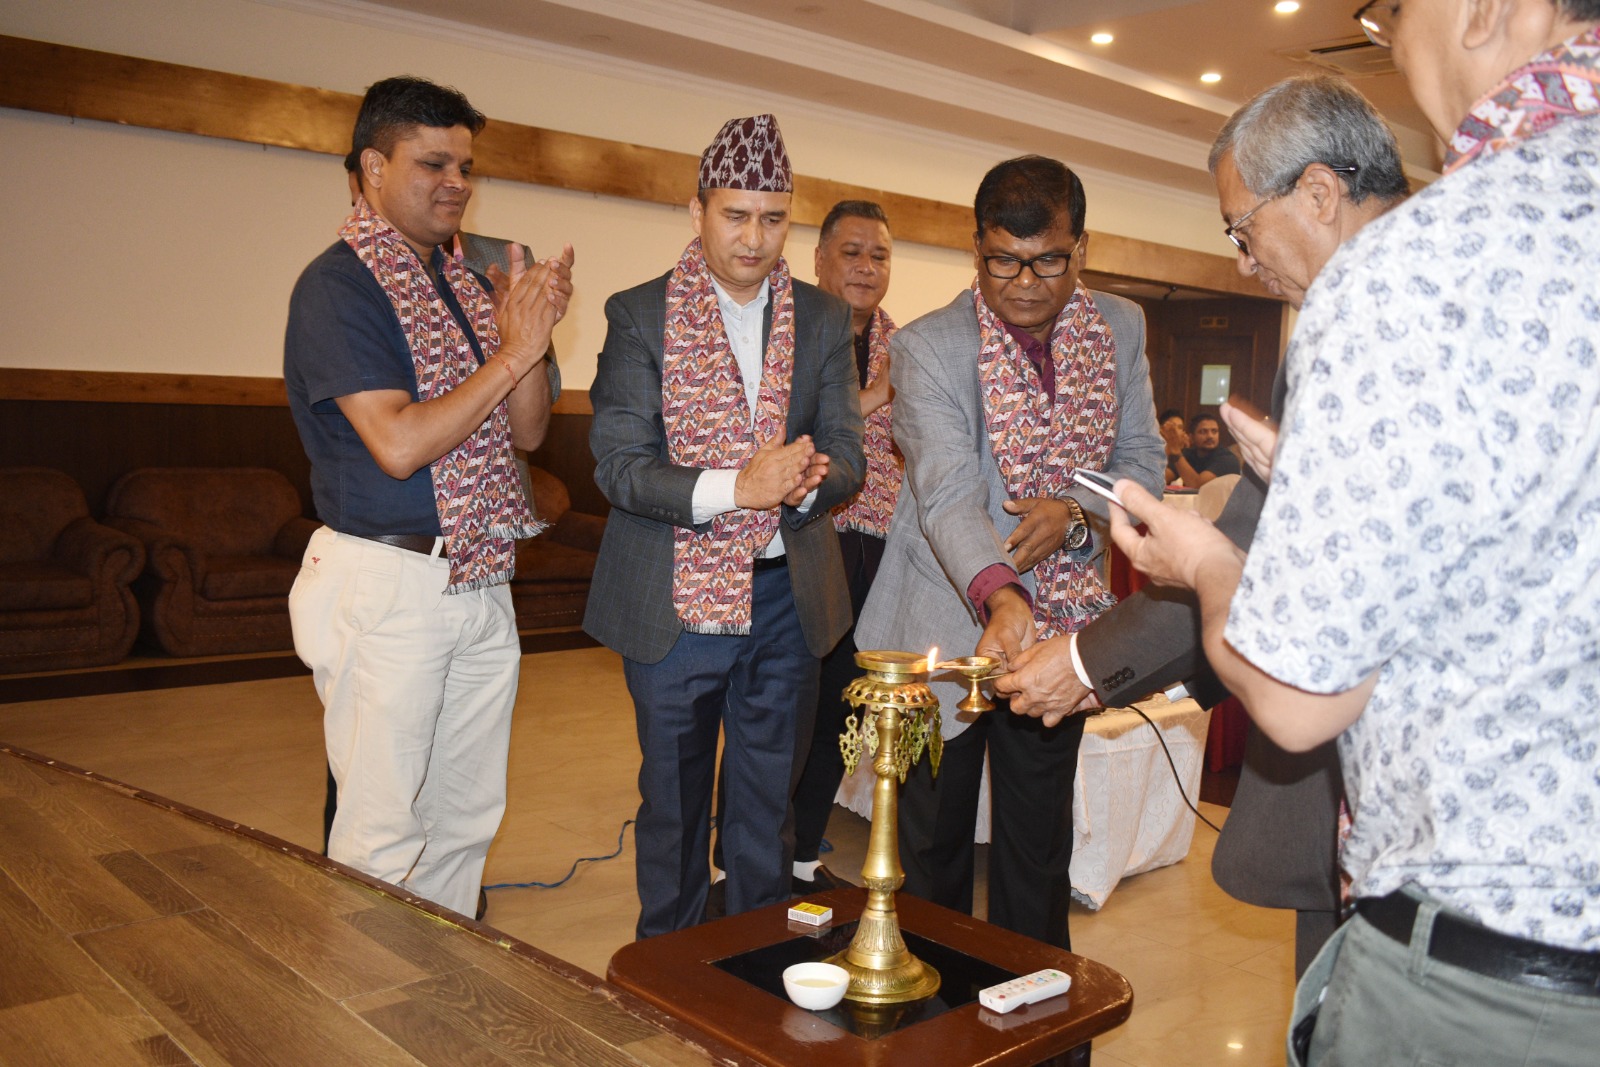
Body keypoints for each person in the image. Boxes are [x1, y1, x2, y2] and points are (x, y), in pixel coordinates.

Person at [1095, 0, 1600, 1059]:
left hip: (1493, 972)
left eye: (1393, 11)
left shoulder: (1418, 268)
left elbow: (1298, 696)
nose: (1390, 38)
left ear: (1485, 10)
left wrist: (1206, 560)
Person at [995, 72, 1409, 977]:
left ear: (1319, 192)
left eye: (1241, 228)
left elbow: (1247, 552)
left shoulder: (1374, 318)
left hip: (1402, 785)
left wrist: (1083, 662)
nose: (1244, 261)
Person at [855, 155, 1163, 950]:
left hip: (1059, 632)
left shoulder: (1120, 327)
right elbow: (946, 493)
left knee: (1036, 849)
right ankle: (935, 1009)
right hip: (944, 628)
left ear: (1081, 248)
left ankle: (1030, 1005)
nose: (1024, 283)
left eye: (1048, 261)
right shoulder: (928, 346)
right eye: (1002, 261)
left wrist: (1077, 514)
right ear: (977, 248)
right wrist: (1002, 594)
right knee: (931, 854)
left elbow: (1142, 464)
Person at [284, 76, 573, 918]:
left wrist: (528, 342)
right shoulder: (340, 286)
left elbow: (526, 434)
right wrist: (510, 354)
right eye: (433, 163)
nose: (457, 183)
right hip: (390, 584)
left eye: (466, 166)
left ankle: (441, 983)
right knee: (383, 829)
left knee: (463, 820)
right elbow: (401, 444)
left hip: (479, 574)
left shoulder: (462, 281)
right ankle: (368, 994)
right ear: (373, 167)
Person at [584, 115, 864, 939]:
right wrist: (741, 488)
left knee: (765, 807)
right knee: (672, 805)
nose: (753, 237)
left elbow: (848, 451)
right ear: (697, 210)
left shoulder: (820, 317)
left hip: (785, 596)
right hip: (673, 597)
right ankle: (665, 973)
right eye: (735, 215)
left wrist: (805, 483)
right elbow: (620, 466)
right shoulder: (639, 314)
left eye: (772, 219)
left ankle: (753, 966)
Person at [1171, 412, 1240, 487]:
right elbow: (1165, 477)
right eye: (1203, 432)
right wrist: (1168, 446)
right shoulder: (1188, 454)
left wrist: (1176, 452)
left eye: (1214, 431)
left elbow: (1198, 486)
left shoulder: (1227, 459)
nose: (1210, 436)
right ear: (1191, 437)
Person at [1158, 408, 1188, 484]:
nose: (1175, 431)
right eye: (1172, 427)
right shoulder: (1151, 447)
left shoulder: (1185, 453)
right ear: (1161, 429)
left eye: (1180, 427)